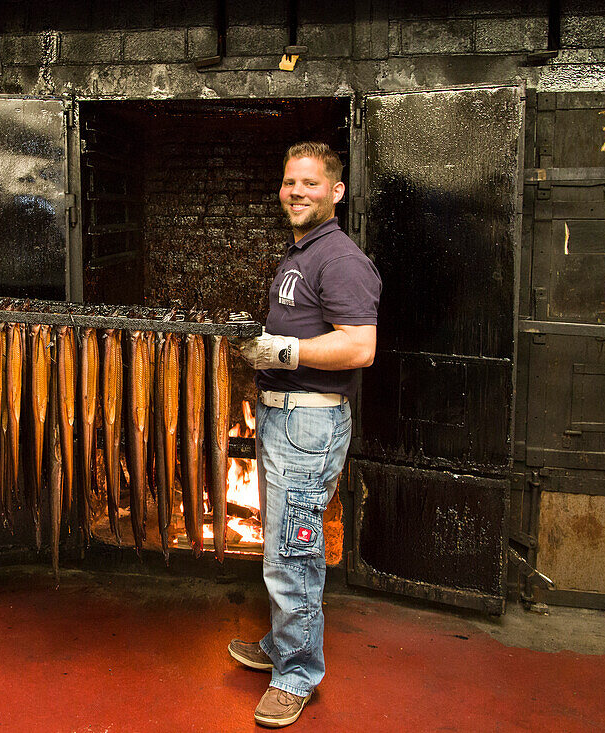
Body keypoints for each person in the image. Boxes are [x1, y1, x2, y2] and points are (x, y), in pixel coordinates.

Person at [229, 142, 381, 728]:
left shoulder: (339, 259)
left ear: (335, 192)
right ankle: (284, 644)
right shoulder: (302, 253)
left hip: (308, 421)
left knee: (294, 551)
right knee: (281, 545)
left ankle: (296, 675)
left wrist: (283, 349)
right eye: (290, 181)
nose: (296, 192)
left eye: (310, 184)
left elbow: (360, 346)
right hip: (282, 417)